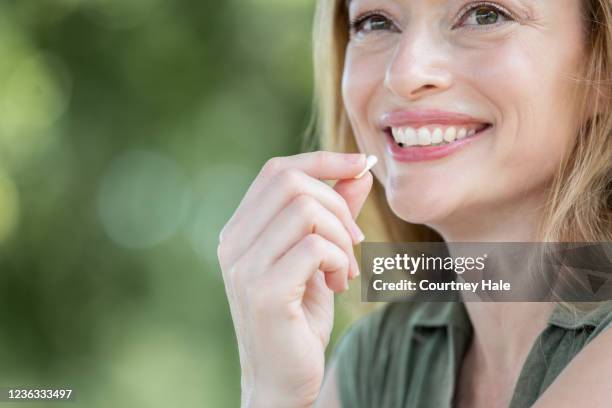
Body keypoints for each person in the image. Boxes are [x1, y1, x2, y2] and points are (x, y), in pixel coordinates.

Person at [217, 0, 612, 406]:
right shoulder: (375, 360)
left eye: (485, 14)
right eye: (375, 22)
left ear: (604, 71)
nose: (404, 75)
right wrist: (272, 391)